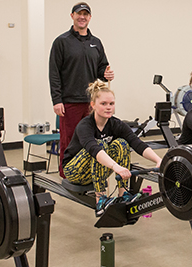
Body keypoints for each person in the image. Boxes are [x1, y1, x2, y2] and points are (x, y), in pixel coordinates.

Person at [63, 80, 163, 216]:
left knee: (122, 143)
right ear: (93, 105)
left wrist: (158, 160)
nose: (108, 107)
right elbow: (94, 149)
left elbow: (137, 143)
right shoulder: (85, 125)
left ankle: (123, 194)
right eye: (103, 104)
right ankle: (100, 200)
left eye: (111, 104)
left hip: (96, 169)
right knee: (100, 145)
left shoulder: (116, 124)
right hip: (74, 171)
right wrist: (116, 167)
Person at [49, 2, 115, 178]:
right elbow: (54, 73)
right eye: (79, 14)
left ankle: (86, 173)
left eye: (86, 14)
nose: (82, 17)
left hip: (92, 103)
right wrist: (57, 100)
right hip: (70, 101)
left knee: (91, 140)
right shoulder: (61, 42)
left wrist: (106, 74)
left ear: (90, 18)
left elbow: (101, 69)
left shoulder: (96, 43)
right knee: (69, 140)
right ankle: (67, 175)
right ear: (72, 16)